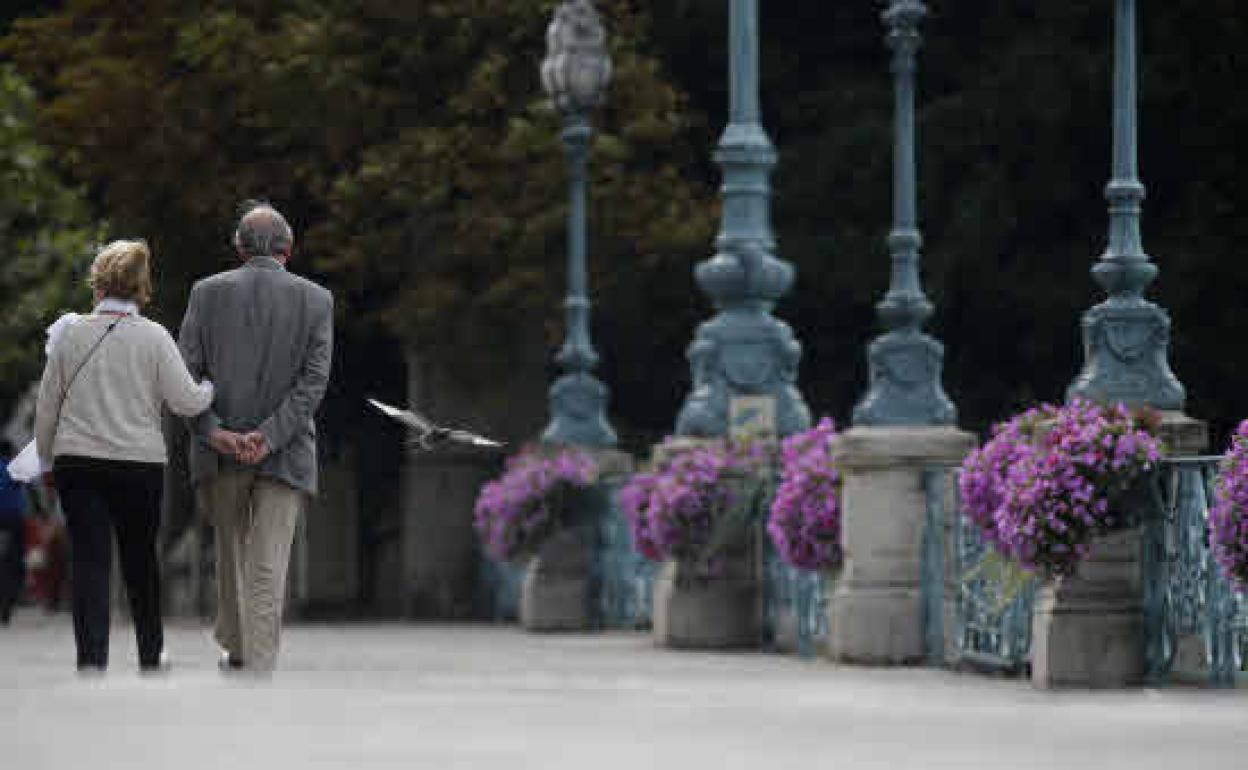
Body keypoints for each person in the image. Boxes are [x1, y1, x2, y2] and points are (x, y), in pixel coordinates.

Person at [34, 240, 215, 673]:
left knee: (90, 561)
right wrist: (210, 387)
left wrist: (45, 461)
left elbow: (47, 406)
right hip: (138, 465)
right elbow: (187, 401)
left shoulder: (71, 334)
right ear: (141, 286)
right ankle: (150, 654)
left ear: (97, 282)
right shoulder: (153, 337)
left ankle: (92, 659)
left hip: (78, 462)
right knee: (140, 559)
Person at [179, 201, 333, 673]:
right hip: (286, 454)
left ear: (238, 247)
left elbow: (185, 375)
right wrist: (269, 437)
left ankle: (240, 648)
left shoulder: (206, 293)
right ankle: (258, 660)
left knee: (231, 554)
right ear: (289, 248)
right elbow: (313, 383)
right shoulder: (317, 299)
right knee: (268, 562)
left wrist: (215, 432)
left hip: (220, 453)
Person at [0, 439, 28, 625]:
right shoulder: (15, 468)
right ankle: (7, 606)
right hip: (13, 520)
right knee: (13, 562)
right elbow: (30, 491)